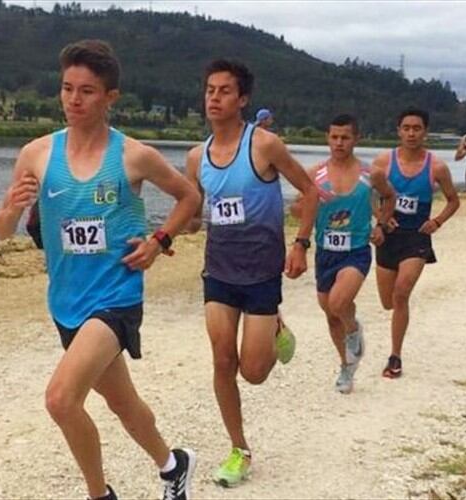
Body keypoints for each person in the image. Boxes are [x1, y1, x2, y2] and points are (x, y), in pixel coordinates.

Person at [0, 40, 200, 500]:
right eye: (67, 88)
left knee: (61, 400)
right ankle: (173, 465)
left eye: (87, 91)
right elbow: (3, 230)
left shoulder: (133, 156)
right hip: (66, 301)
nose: (73, 99)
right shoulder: (38, 154)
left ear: (110, 98)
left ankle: (98, 495)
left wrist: (158, 241)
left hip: (116, 297)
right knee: (125, 405)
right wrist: (9, 209)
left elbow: (189, 197)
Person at [183, 59, 318, 488]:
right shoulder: (195, 157)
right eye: (209, 90)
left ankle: (275, 323)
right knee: (222, 359)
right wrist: (160, 234)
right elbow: (193, 214)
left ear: (243, 99)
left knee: (253, 372)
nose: (214, 98)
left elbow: (311, 190)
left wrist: (300, 244)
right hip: (219, 273)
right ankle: (239, 449)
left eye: (224, 91)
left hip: (261, 274)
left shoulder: (264, 146)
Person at [295, 113, 396, 393]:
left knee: (339, 304)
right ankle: (346, 367)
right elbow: (298, 206)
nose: (339, 143)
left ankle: (353, 331)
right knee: (330, 312)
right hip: (325, 251)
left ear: (356, 139)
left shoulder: (371, 173)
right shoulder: (314, 173)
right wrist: (301, 214)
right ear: (327, 138)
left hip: (356, 251)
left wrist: (382, 225)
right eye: (334, 137)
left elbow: (390, 196)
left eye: (345, 137)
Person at [372, 107, 459, 378]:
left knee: (401, 293)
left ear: (425, 132)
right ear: (398, 131)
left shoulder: (437, 167)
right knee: (388, 302)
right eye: (406, 128)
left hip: (416, 238)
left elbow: (454, 200)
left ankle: (395, 356)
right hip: (389, 236)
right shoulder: (384, 162)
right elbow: (368, 194)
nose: (411, 133)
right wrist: (381, 216)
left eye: (417, 128)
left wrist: (437, 222)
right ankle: (396, 329)